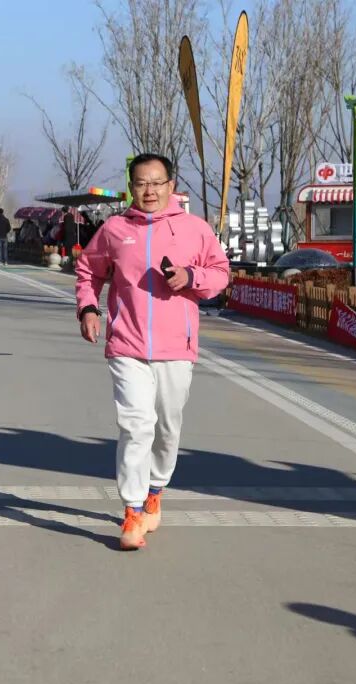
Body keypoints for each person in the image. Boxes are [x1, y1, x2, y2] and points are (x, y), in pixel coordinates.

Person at [75, 152, 230, 550]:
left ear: (171, 185)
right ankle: (132, 511)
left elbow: (220, 273)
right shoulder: (114, 229)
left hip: (176, 346)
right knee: (135, 425)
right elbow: (88, 271)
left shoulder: (194, 229)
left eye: (157, 182)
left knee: (167, 426)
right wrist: (88, 308)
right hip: (126, 344)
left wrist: (190, 276)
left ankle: (155, 490)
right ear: (131, 186)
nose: (149, 190)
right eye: (141, 183)